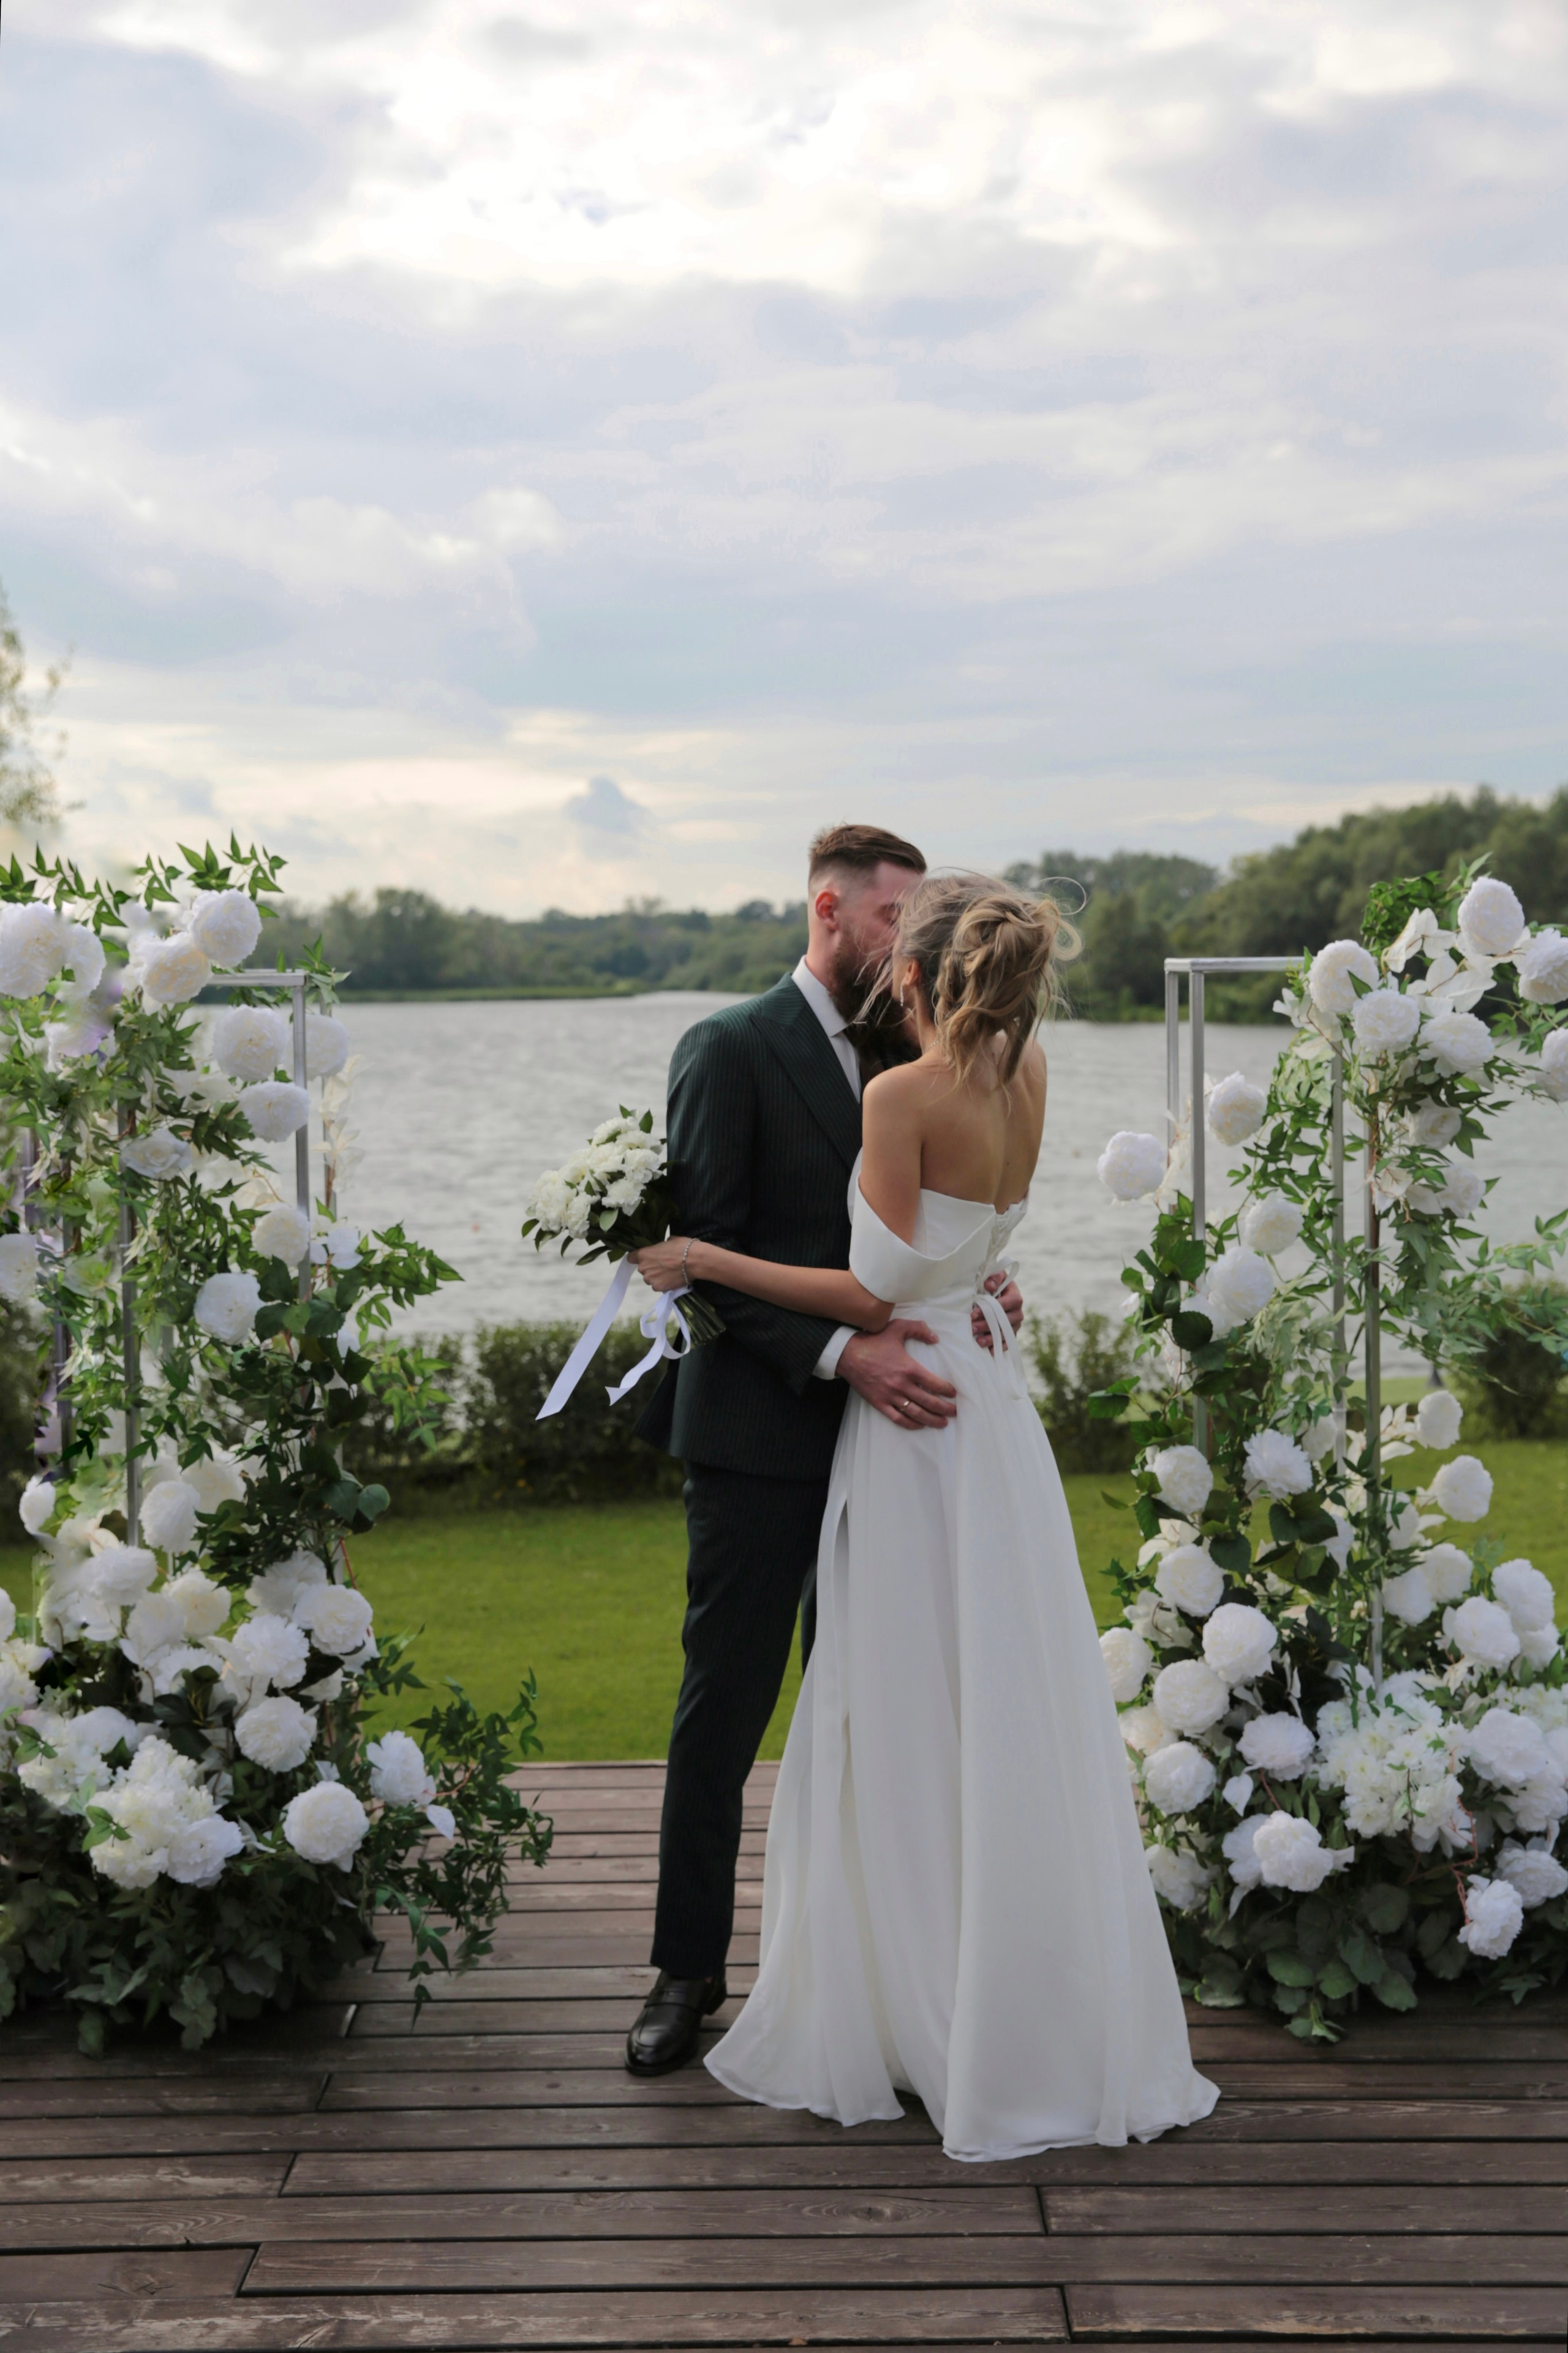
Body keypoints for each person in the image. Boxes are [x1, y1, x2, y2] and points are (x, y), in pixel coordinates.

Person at [632, 872, 1217, 2159]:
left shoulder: (900, 1095)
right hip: (989, 1413)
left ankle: (921, 2003)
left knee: (900, 1707)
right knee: (995, 1697)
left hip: (914, 1429)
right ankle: (990, 2000)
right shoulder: (1034, 1074)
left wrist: (701, 1257)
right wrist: (970, 1284)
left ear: (916, 975)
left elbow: (872, 1280)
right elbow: (962, 1252)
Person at [624, 824, 1024, 2078]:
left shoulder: (920, 1049)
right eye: (887, 917)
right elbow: (706, 1263)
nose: (905, 943)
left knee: (880, 1716)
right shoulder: (727, 1048)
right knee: (725, 1708)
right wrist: (838, 1354)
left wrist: (990, 1286)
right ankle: (684, 1970)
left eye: (917, 922)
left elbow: (944, 1216)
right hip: (763, 1434)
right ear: (827, 910)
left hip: (903, 1450)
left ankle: (876, 1981)